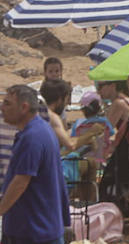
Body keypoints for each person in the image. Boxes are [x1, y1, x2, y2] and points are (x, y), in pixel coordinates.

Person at [0, 84, 68, 244]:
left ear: (24, 107)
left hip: (34, 232)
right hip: (37, 228)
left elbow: (20, 182)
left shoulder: (32, 138)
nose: (2, 107)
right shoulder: (39, 130)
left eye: (7, 103)